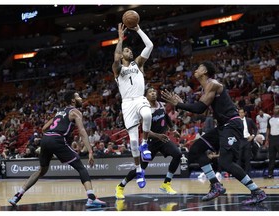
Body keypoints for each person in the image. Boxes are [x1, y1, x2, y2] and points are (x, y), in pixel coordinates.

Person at [161, 61, 267, 205]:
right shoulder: (206, 88)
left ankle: (257, 191)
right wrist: (181, 105)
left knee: (226, 162)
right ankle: (216, 185)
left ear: (204, 71)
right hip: (224, 126)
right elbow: (200, 110)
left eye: (198, 68)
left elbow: (199, 108)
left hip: (232, 124)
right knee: (196, 149)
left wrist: (178, 104)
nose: (196, 70)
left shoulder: (213, 84)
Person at [8, 90, 106, 208]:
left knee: (41, 171)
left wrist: (51, 143)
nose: (81, 98)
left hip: (45, 139)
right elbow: (82, 131)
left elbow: (44, 128)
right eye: (78, 97)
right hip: (57, 140)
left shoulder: (59, 112)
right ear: (73, 100)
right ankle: (91, 198)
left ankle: (17, 196)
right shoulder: (75, 111)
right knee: (80, 167)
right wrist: (90, 151)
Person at [115, 87, 182, 199]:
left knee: (178, 154)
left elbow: (166, 117)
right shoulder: (144, 110)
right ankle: (120, 186)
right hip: (150, 143)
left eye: (154, 91)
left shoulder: (161, 104)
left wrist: (172, 129)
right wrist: (158, 136)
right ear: (146, 97)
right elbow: (145, 132)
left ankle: (166, 184)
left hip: (163, 140)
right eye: (150, 92)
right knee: (140, 169)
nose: (153, 93)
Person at [112, 22, 153, 188]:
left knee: (147, 115)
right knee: (133, 142)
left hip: (139, 98)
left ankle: (146, 144)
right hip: (127, 104)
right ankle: (138, 170)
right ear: (122, 54)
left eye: (130, 50)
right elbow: (115, 59)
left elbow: (150, 45)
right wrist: (120, 40)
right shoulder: (118, 69)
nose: (130, 52)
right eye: (127, 51)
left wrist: (139, 30)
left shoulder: (138, 64)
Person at [238, 108, 257, 175]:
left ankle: (247, 173)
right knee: (238, 157)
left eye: (242, 112)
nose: (241, 114)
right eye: (239, 113)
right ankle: (239, 173)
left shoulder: (249, 120)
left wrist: (253, 136)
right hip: (239, 140)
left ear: (244, 113)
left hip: (247, 140)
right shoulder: (236, 121)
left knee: (247, 157)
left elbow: (255, 128)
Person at [264, 105, 279, 178]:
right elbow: (268, 130)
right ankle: (270, 174)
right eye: (275, 108)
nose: (276, 109)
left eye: (277, 108)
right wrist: (267, 140)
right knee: (271, 157)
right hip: (272, 139)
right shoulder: (270, 119)